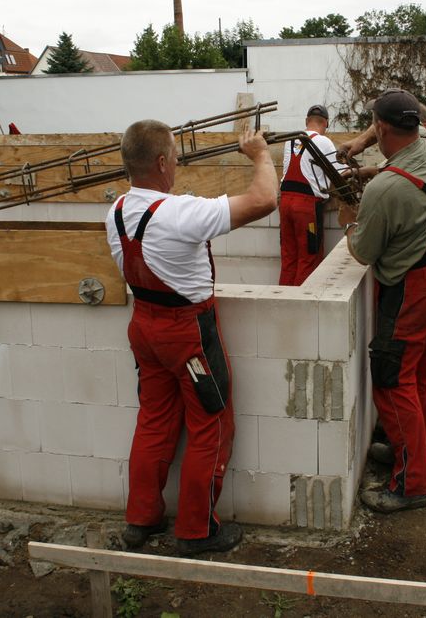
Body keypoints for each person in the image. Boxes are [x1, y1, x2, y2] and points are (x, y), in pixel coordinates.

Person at [105, 120, 278, 554]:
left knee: (154, 420)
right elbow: (264, 200)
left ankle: (140, 521)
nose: (178, 165)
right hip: (187, 333)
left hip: (143, 328)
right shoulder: (180, 214)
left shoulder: (117, 211)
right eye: (176, 158)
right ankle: (197, 530)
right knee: (211, 424)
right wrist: (259, 155)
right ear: (162, 162)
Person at [336, 89, 426, 513]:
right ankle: (416, 444)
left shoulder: (385, 190)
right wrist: (365, 155)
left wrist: (351, 214)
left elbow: (363, 252)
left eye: (375, 128)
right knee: (419, 370)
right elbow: (392, 128)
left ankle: (412, 483)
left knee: (392, 380)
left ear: (385, 128)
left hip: (409, 290)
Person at [278, 104, 345, 286]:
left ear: (307, 121)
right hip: (306, 207)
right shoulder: (324, 142)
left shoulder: (290, 141)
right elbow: (341, 173)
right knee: (309, 257)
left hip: (285, 202)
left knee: (288, 257)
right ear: (325, 124)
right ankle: (301, 307)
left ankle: (283, 302)